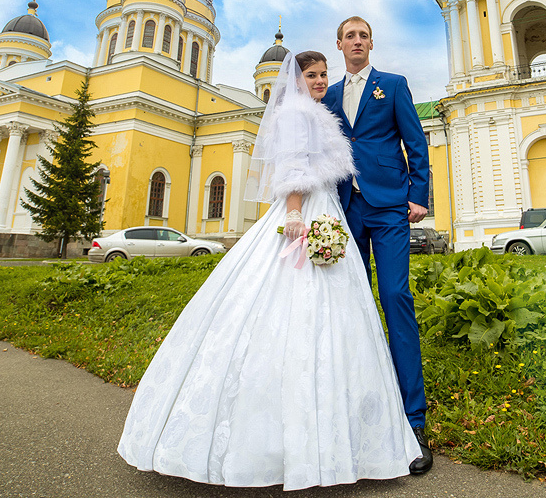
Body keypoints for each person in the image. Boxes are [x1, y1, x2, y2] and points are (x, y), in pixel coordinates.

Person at [119, 51, 420, 490]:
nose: (319, 81)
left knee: (336, 311)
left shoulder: (319, 110)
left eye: (322, 75)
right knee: (296, 308)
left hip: (331, 209)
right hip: (307, 212)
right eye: (311, 75)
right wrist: (295, 214)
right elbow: (294, 167)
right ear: (295, 80)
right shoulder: (299, 114)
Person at [323, 16, 433, 475]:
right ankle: (358, 414)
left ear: (371, 44)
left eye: (364, 36)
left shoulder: (393, 85)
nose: (357, 42)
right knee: (353, 306)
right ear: (339, 45)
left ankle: (413, 420)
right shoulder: (327, 96)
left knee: (395, 297)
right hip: (346, 210)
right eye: (350, 36)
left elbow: (415, 141)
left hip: (389, 208)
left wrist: (418, 195)